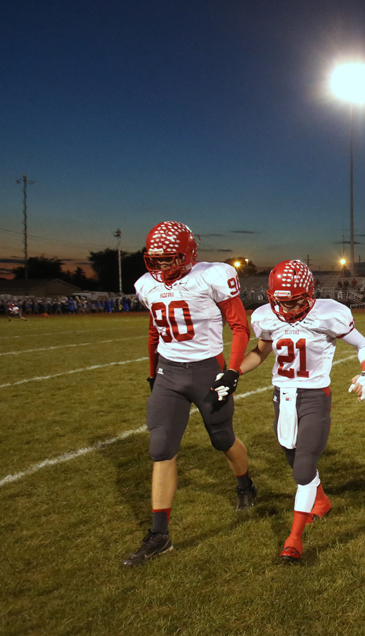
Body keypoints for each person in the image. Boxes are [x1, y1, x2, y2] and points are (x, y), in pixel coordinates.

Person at [123, 221, 255, 567]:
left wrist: (232, 370)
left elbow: (240, 327)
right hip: (169, 372)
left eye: (169, 259)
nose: (161, 266)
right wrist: (152, 373)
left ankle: (244, 483)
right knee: (161, 447)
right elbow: (154, 332)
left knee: (222, 438)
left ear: (187, 254)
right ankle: (160, 534)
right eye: (156, 259)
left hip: (206, 371)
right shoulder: (145, 285)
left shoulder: (210, 276)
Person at [239, 260, 365, 563]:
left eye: (295, 301)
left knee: (302, 470)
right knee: (291, 455)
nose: (287, 308)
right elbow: (261, 352)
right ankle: (322, 501)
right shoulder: (264, 317)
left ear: (309, 294)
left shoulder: (329, 314)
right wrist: (233, 372)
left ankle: (294, 539)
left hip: (314, 397)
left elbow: (362, 344)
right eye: (281, 302)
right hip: (281, 397)